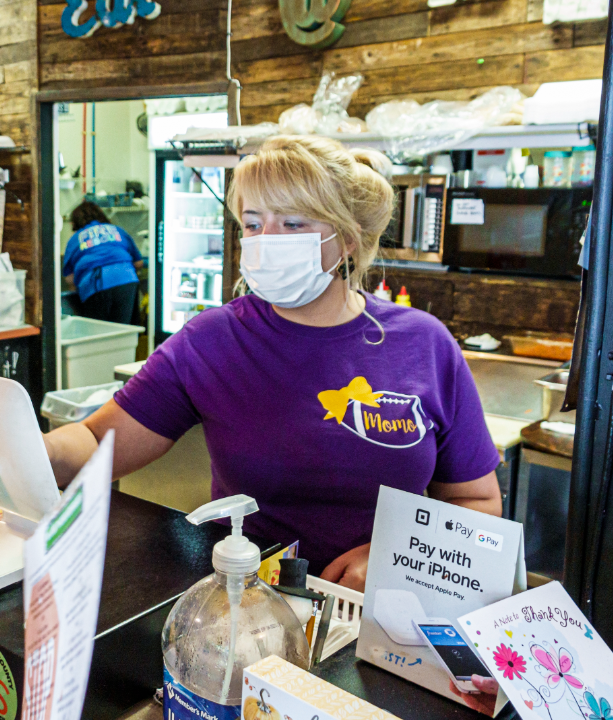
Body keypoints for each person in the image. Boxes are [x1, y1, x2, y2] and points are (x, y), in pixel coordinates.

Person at [45, 136, 502, 591]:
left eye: (292, 223)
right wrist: (16, 453)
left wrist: (395, 553)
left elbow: (476, 501)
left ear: (347, 240)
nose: (267, 242)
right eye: (252, 224)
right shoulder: (213, 340)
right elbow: (94, 442)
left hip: (387, 611)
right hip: (249, 603)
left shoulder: (423, 343)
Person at [62, 201, 144, 324]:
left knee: (99, 334)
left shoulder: (76, 238)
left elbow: (69, 278)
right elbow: (139, 263)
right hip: (126, 281)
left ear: (75, 221)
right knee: (123, 332)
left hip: (97, 284)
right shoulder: (117, 230)